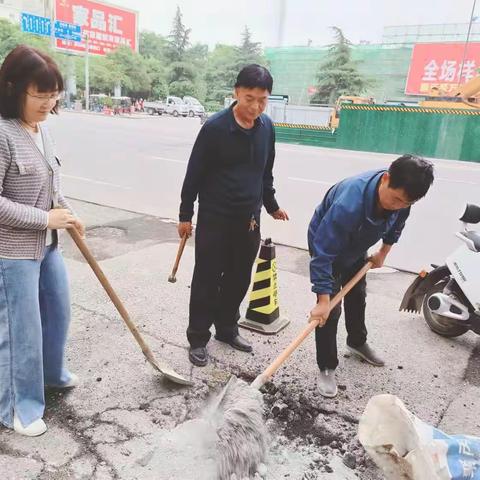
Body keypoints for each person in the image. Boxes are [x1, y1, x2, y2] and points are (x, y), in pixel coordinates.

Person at [178, 64, 288, 367]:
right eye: (250, 98)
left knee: (239, 278)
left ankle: (227, 328)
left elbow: (266, 172)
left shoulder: (267, 128)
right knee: (207, 279)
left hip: (249, 220)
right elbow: (194, 175)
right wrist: (185, 214)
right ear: (236, 92)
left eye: (263, 100)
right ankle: (198, 337)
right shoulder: (214, 128)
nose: (255, 106)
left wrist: (272, 204)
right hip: (215, 218)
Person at [0, 45, 85, 436]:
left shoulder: (42, 131)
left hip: (47, 245)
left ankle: (52, 375)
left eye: (54, 94)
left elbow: (52, 185)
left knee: (58, 312)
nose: (49, 103)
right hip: (12, 252)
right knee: (23, 331)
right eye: (41, 94)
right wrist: (45, 219)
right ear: (13, 88)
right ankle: (20, 407)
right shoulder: (3, 134)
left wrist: (67, 215)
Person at [308, 155, 434, 397]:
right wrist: (323, 301)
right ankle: (326, 366)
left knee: (357, 295)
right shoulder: (349, 203)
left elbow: (397, 225)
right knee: (330, 310)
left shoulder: (403, 200)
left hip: (356, 244)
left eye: (405, 203)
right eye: (396, 199)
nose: (398, 205)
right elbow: (323, 254)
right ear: (385, 179)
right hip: (327, 246)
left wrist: (383, 253)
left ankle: (356, 342)